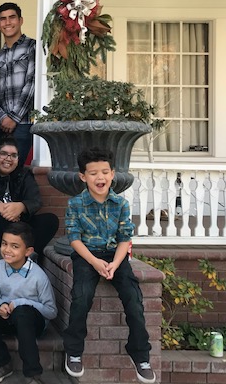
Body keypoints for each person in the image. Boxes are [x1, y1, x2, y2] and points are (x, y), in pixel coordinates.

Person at [63, 148, 156, 383]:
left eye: (105, 172)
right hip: (87, 255)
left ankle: (140, 354)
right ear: (83, 177)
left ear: (113, 174)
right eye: (93, 173)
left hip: (116, 256)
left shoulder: (121, 204)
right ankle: (74, 351)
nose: (100, 177)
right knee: (81, 296)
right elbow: (74, 238)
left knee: (133, 298)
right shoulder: (75, 204)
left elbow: (125, 237)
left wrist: (115, 264)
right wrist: (95, 263)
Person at [0, 222, 57, 384]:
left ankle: (33, 374)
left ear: (28, 251)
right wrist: (1, 305)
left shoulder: (38, 276)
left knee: (22, 311)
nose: (7, 250)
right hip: (7, 318)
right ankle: (2, 364)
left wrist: (20, 302)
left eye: (14, 246)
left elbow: (51, 311)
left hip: (32, 323)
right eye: (4, 244)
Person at [0, 139, 58, 261]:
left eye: (13, 155)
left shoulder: (23, 174)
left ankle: (29, 257)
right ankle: (7, 257)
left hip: (22, 223)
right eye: (3, 154)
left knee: (50, 220)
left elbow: (35, 200)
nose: (8, 159)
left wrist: (21, 206)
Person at [0, 2, 35, 166]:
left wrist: (13, 117)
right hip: (1, 127)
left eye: (12, 17)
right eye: (3, 19)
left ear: (20, 20)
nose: (8, 22)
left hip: (25, 124)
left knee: (20, 170)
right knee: (2, 170)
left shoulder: (32, 48)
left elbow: (32, 84)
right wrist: (3, 118)